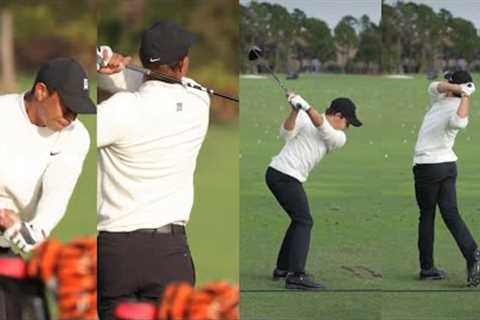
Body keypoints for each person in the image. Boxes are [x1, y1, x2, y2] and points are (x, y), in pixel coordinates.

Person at [96, 21, 210, 319]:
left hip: (116, 252)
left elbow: (74, 129)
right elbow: (155, 88)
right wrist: (121, 73)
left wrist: (101, 67)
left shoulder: (119, 110)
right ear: (183, 65)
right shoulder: (199, 101)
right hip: (169, 252)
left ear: (143, 59)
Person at [0, 57, 95, 318]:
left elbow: (57, 192)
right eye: (67, 106)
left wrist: (31, 232)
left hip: (10, 242)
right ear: (41, 91)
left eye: (77, 109)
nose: (72, 116)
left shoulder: (76, 136)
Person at [266, 93, 362, 290]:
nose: (347, 128)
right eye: (348, 122)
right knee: (304, 220)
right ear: (338, 115)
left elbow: (322, 127)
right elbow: (286, 134)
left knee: (299, 219)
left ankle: (283, 269)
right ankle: (296, 276)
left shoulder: (338, 137)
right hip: (282, 174)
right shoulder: (305, 117)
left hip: (286, 176)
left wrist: (307, 107)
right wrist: (295, 111)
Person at [413, 70, 480, 287]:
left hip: (428, 166)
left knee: (427, 215)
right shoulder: (440, 96)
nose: (446, 84)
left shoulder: (456, 105)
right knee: (451, 214)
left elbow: (459, 123)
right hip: (447, 166)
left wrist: (466, 96)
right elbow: (435, 86)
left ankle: (427, 268)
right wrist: (463, 90)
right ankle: (473, 255)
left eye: (450, 81)